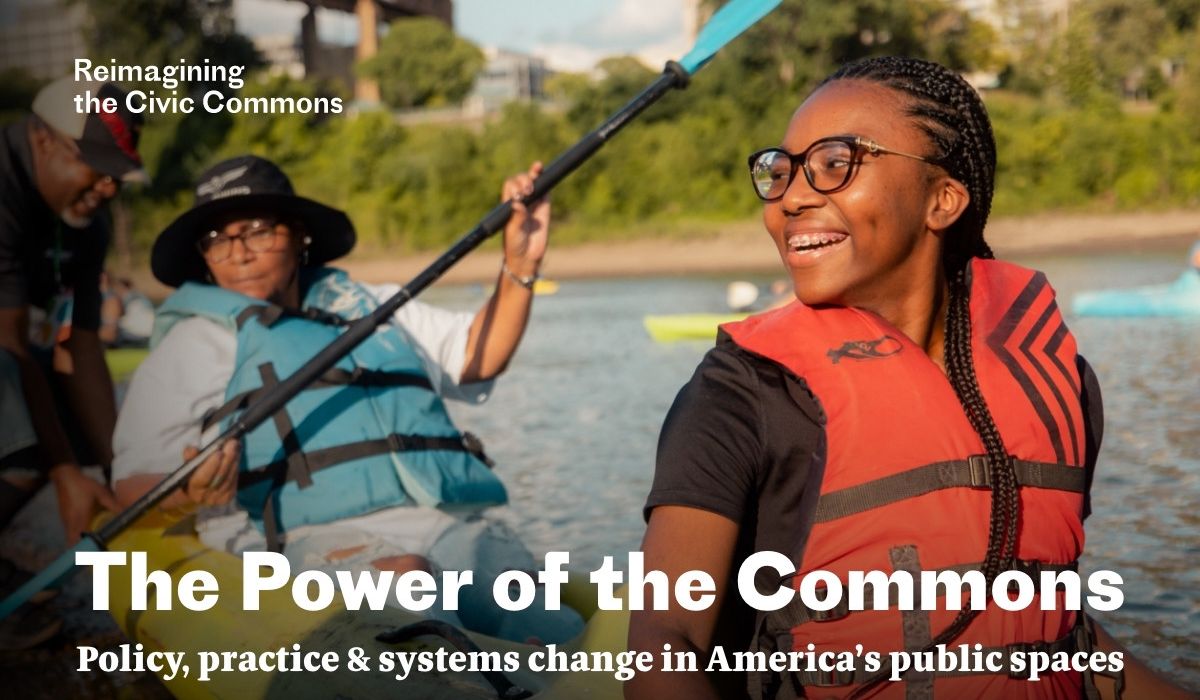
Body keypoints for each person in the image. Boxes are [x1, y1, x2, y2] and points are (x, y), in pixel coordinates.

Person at [628, 57, 1192, 699]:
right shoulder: (744, 393)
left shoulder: (1063, 386)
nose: (792, 197)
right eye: (780, 171)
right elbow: (661, 646)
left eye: (836, 163)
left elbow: (1058, 636)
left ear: (942, 199)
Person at [112, 155, 581, 644]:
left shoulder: (370, 306)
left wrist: (520, 265)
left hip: (435, 520)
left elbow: (476, 358)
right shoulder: (193, 343)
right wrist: (191, 492)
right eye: (218, 240)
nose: (239, 254)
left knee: (518, 590)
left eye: (257, 231)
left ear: (299, 237)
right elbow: (129, 484)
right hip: (291, 540)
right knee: (406, 581)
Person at [0, 78, 143, 648]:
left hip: (10, 347)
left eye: (118, 171)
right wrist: (65, 475)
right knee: (13, 393)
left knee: (65, 419)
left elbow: (80, 347)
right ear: (43, 140)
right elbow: (8, 345)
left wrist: (118, 475)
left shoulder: (88, 222)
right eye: (96, 166)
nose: (109, 187)